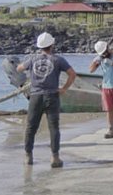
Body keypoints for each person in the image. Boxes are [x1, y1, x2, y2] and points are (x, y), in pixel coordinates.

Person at [16, 32, 76, 168]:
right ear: (52, 45)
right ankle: (55, 157)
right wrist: (64, 88)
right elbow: (72, 74)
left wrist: (24, 66)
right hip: (52, 96)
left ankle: (28, 156)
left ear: (39, 46)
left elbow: (19, 69)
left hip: (36, 96)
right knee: (54, 127)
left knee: (31, 127)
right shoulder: (58, 60)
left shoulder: (32, 59)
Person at [90, 40, 113, 138]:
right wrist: (96, 61)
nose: (105, 55)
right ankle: (111, 130)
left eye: (105, 52)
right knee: (109, 109)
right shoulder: (100, 58)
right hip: (106, 86)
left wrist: (112, 63)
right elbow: (91, 70)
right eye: (102, 54)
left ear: (108, 48)